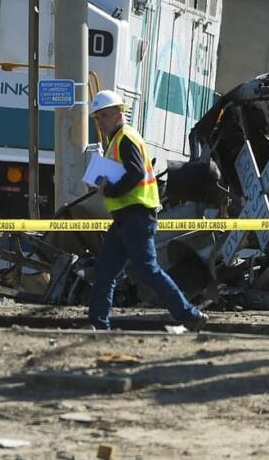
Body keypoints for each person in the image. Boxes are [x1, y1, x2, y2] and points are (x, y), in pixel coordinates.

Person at [85, 90, 209, 332]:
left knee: (147, 271)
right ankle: (98, 325)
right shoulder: (118, 140)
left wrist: (110, 190)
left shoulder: (125, 138)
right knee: (105, 271)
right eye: (97, 117)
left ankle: (190, 315)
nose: (100, 122)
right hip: (126, 218)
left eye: (104, 116)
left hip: (136, 217)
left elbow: (135, 173)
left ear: (119, 114)